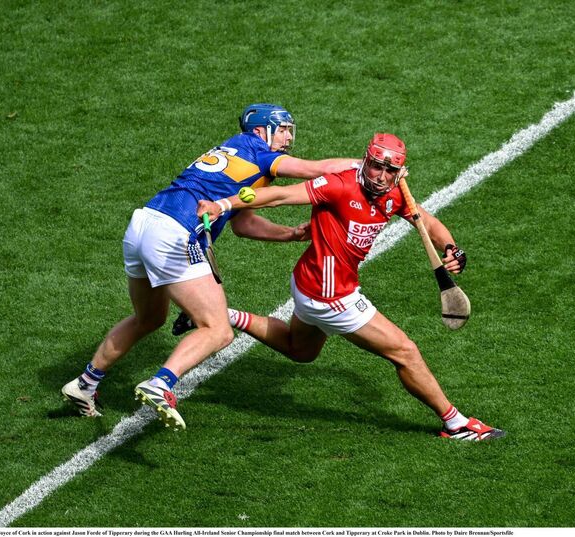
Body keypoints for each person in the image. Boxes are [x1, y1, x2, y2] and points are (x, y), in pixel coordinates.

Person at [61, 103, 359, 430]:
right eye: (283, 130)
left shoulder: (237, 152)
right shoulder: (259, 152)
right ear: (261, 130)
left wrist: (289, 234)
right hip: (175, 234)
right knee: (218, 330)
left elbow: (243, 223)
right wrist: (370, 165)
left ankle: (85, 384)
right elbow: (316, 169)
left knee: (149, 318)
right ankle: (161, 383)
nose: (288, 137)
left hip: (143, 225)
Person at [193, 133, 505, 441]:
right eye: (376, 167)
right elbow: (281, 196)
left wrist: (451, 248)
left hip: (307, 281)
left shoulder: (396, 193)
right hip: (330, 295)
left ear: (398, 172)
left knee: (300, 350)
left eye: (390, 171)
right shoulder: (339, 185)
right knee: (405, 351)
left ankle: (223, 315)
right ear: (365, 161)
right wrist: (224, 204)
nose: (381, 176)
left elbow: (428, 222)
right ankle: (456, 423)